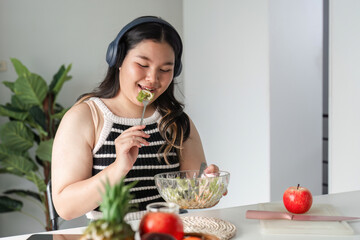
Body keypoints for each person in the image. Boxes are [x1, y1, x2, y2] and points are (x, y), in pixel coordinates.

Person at [51, 16, 222, 221]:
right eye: (142, 64)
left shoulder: (177, 122)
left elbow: (194, 194)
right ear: (118, 60)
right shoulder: (85, 117)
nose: (153, 79)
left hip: (170, 231)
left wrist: (208, 184)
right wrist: (118, 168)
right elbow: (65, 208)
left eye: (165, 70)